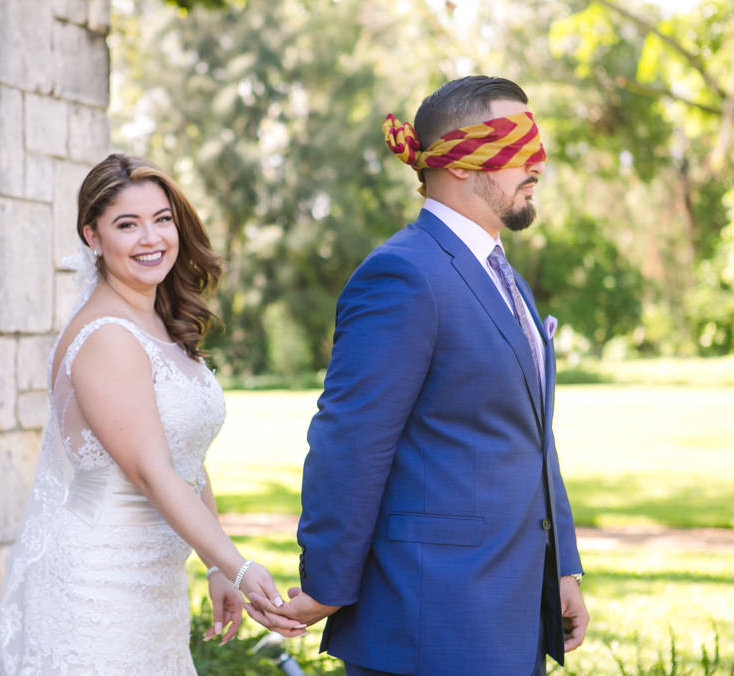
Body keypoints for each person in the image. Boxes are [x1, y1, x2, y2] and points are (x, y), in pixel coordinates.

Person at [247, 76, 589, 675]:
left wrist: (560, 566)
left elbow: (532, 433)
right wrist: (326, 583)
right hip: (431, 623)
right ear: (458, 161)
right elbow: (351, 440)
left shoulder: (505, 276)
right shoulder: (403, 275)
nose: (536, 162)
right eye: (516, 147)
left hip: (511, 612)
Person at [0, 153, 301, 675]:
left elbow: (186, 456)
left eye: (162, 219)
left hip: (154, 586)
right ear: (93, 236)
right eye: (128, 224)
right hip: (98, 583)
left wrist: (215, 563)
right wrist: (241, 568)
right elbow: (151, 471)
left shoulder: (157, 324)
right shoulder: (107, 337)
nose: (152, 238)